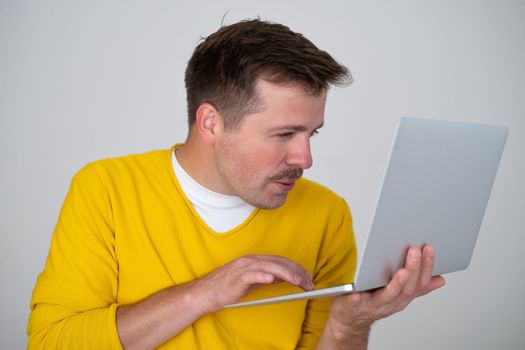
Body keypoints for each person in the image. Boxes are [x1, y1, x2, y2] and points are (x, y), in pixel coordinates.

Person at [27, 19, 445, 349]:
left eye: (311, 134)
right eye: (284, 134)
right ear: (211, 123)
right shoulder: (106, 188)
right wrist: (202, 294)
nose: (305, 159)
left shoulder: (326, 214)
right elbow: (51, 344)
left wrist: (349, 322)